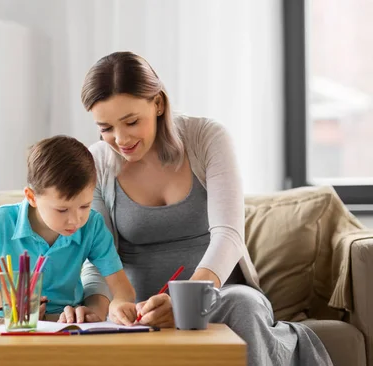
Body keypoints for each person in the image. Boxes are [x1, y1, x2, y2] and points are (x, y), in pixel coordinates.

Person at [70, 51, 332, 366]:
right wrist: (103, 306)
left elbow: (229, 236)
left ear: (158, 104)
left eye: (131, 122)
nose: (120, 138)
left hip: (218, 298)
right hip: (139, 311)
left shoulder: (206, 138)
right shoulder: (97, 160)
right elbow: (99, 255)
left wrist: (187, 302)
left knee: (243, 305)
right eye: (106, 128)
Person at [0, 135, 137, 325]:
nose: (75, 220)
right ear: (31, 197)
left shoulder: (93, 225)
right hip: (4, 315)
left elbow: (123, 288)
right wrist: (10, 303)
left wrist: (117, 303)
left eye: (85, 206)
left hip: (65, 318)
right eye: (62, 209)